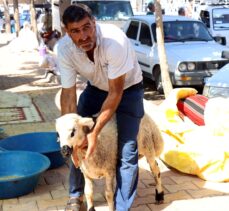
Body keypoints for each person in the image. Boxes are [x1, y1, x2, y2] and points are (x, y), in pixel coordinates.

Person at [57, 4, 144, 211]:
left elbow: (116, 93)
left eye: (87, 27)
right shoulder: (63, 49)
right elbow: (68, 94)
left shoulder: (115, 41)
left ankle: (122, 207)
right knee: (75, 140)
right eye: (75, 31)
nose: (84, 36)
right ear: (67, 33)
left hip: (128, 90)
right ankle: (75, 195)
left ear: (94, 23)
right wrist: (70, 132)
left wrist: (94, 132)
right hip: (96, 89)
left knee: (127, 149)